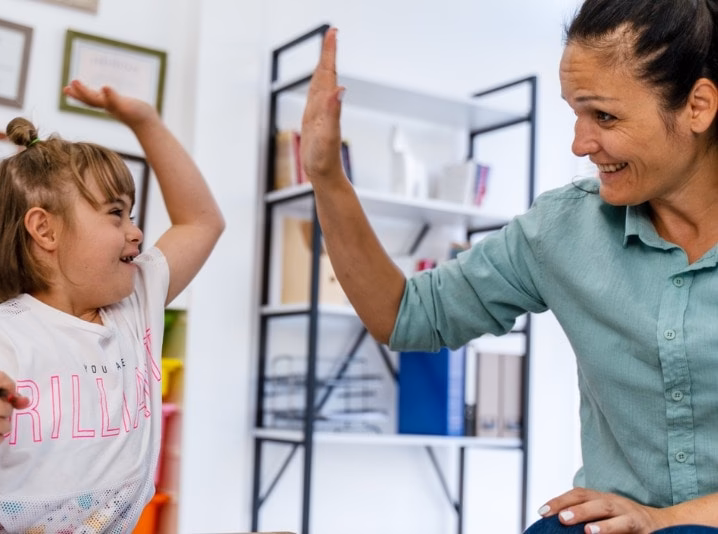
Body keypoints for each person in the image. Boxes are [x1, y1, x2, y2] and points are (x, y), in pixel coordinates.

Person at [299, 0, 718, 532]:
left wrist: (665, 520)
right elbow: (405, 315)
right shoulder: (564, 230)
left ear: (697, 107)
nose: (581, 143)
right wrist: (327, 177)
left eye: (605, 116)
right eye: (576, 114)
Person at [0, 80, 224, 533]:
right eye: (116, 213)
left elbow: (202, 221)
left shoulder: (137, 302)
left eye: (131, 214)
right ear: (45, 231)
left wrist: (144, 122)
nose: (136, 232)